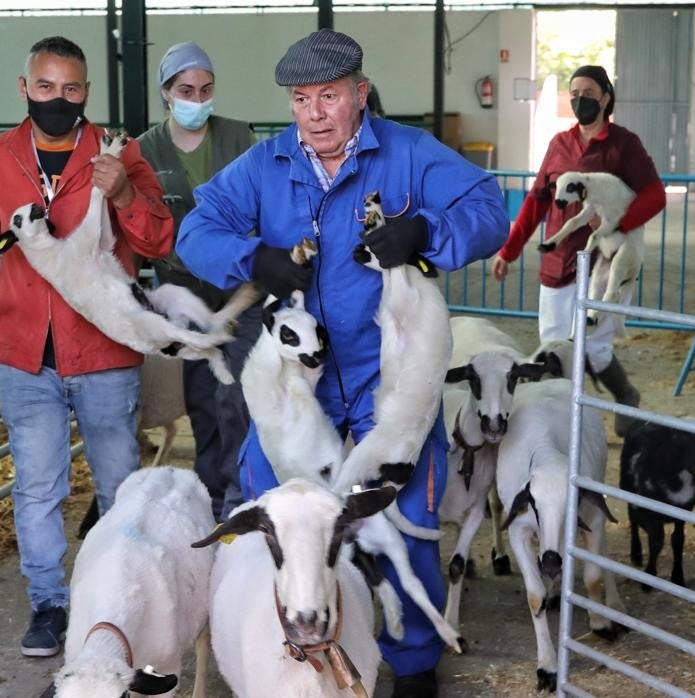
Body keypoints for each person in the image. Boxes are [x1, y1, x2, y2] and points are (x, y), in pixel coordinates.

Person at [176, 28, 509, 698]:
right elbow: (196, 229)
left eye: (330, 96)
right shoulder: (267, 165)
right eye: (303, 99)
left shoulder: (408, 154)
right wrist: (253, 260)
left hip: (389, 379)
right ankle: (275, 647)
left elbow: (490, 207)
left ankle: (412, 667)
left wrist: (427, 235)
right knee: (273, 513)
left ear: (359, 94)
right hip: (300, 388)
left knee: (409, 517)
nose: (317, 113)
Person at [0, 36, 172, 658]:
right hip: (24, 351)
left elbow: (156, 240)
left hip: (102, 350)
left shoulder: (119, 152)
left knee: (118, 482)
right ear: (24, 88)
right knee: (38, 486)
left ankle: (122, 596)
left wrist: (123, 193)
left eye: (70, 89)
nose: (57, 99)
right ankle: (50, 605)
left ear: (85, 92)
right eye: (46, 87)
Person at [490, 65, 665, 437]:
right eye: (574, 93)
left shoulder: (623, 145)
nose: (579, 99)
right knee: (554, 345)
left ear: (605, 97)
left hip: (603, 262)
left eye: (587, 92)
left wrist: (618, 223)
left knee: (594, 347)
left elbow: (655, 194)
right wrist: (510, 249)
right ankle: (560, 420)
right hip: (558, 259)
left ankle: (624, 396)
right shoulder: (559, 145)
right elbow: (537, 202)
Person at [136, 42, 259, 522]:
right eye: (186, 90)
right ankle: (213, 501)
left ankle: (243, 495)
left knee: (241, 394)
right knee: (202, 399)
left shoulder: (237, 137)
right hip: (182, 294)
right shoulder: (145, 150)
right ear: (166, 93)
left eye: (206, 90)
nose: (197, 99)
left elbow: (257, 205)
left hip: (236, 288)